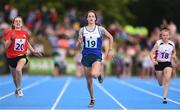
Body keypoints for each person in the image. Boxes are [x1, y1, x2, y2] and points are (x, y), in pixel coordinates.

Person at [76, 10, 113, 107]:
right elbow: (78, 42)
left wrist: (110, 50)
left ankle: (99, 73)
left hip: (96, 56)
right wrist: (79, 42)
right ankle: (92, 98)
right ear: (87, 18)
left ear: (95, 18)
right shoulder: (82, 30)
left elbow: (111, 37)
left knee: (94, 74)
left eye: (93, 16)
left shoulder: (100, 29)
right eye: (89, 16)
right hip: (86, 57)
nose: (91, 18)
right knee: (88, 81)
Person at [4, 16, 42, 97]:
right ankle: (17, 88)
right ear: (13, 23)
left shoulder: (25, 33)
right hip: (11, 57)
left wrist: (33, 51)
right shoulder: (9, 32)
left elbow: (26, 42)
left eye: (19, 21)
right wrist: (11, 40)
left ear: (22, 24)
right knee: (14, 78)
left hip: (22, 55)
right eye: (16, 21)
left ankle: (19, 89)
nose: (18, 22)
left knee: (18, 69)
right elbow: (6, 47)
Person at [150, 25, 177, 104]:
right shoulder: (158, 43)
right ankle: (160, 79)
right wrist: (153, 60)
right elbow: (151, 53)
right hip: (158, 63)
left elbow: (174, 51)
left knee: (167, 79)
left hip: (167, 63)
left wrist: (174, 55)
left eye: (167, 35)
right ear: (161, 36)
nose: (165, 37)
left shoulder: (172, 44)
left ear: (169, 36)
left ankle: (164, 97)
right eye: (163, 35)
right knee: (160, 83)